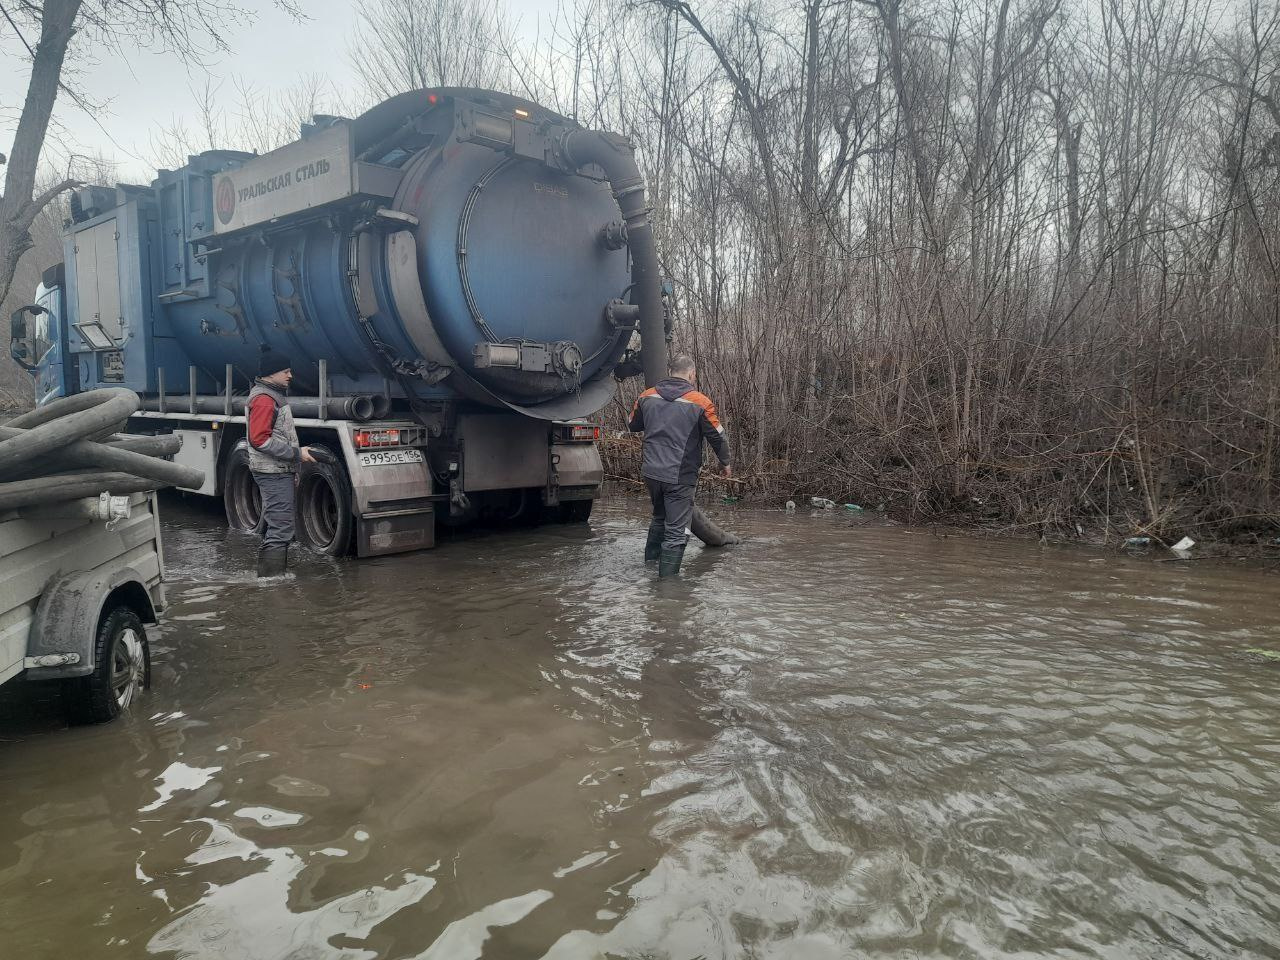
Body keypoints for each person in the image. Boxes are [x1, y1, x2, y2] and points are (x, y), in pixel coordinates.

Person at [628, 354, 731, 577]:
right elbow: (718, 437)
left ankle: (649, 570)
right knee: (675, 531)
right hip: (679, 474)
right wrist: (725, 462)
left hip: (652, 472)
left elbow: (632, 424)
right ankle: (668, 590)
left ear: (671, 371)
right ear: (691, 374)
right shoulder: (700, 402)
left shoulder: (646, 396)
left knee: (659, 518)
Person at [248, 348, 316, 576]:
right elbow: (259, 440)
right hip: (272, 471)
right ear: (270, 373)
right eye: (285, 371)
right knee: (281, 527)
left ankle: (271, 576)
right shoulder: (265, 400)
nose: (290, 376)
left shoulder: (271, 395)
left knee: (279, 525)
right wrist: (296, 454)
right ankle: (271, 582)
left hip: (277, 469)